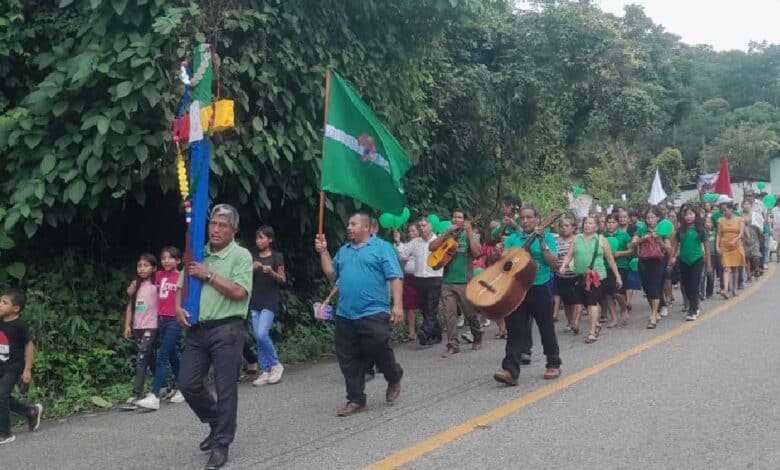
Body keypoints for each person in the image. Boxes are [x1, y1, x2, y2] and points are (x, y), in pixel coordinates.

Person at [176, 204, 253, 470]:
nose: (216, 230)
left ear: (233, 230)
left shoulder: (241, 256)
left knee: (226, 389)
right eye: (213, 224)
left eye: (223, 225)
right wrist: (177, 307)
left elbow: (239, 291)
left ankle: (221, 444)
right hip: (197, 331)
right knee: (187, 384)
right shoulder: (198, 252)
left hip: (227, 330)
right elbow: (181, 284)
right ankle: (215, 422)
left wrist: (208, 274)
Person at [316, 212, 404, 416]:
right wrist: (323, 252)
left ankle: (393, 375)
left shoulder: (382, 248)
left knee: (378, 345)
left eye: (353, 224)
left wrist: (397, 305)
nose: (349, 227)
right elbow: (331, 273)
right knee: (348, 357)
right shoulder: (344, 251)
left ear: (366, 228)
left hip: (374, 310)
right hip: (346, 313)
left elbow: (395, 277)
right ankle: (355, 399)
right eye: (348, 223)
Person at [494, 205, 562, 385]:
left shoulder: (547, 237)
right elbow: (506, 265)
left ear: (537, 218)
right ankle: (510, 370)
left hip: (541, 287)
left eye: (529, 217)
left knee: (546, 327)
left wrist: (541, 242)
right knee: (515, 330)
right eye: (522, 218)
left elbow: (553, 263)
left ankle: (553, 362)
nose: (525, 221)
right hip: (517, 289)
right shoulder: (513, 239)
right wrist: (501, 255)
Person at [135, 247, 185, 410]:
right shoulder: (159, 275)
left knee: (162, 356)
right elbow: (143, 278)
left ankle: (155, 395)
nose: (166, 261)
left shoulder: (182, 277)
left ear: (178, 260)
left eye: (171, 258)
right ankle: (182, 388)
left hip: (174, 320)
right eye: (163, 258)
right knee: (171, 355)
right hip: (161, 320)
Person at [429, 209, 483, 358]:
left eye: (459, 217)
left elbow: (477, 252)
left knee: (470, 314)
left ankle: (477, 336)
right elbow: (431, 247)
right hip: (447, 281)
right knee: (449, 314)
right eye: (454, 216)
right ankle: (453, 345)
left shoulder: (471, 234)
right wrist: (446, 233)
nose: (456, 219)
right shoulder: (447, 234)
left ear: (464, 220)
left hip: (465, 281)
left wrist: (470, 232)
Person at [560, 215, 622, 343]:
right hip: (580, 276)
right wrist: (563, 266)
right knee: (581, 301)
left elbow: (610, 259)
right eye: (586, 223)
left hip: (596, 277)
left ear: (596, 227)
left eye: (590, 223)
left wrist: (617, 276)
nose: (587, 225)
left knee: (591, 303)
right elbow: (569, 255)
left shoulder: (601, 240)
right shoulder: (577, 238)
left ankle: (592, 331)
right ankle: (594, 324)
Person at [0, 289, 43, 445]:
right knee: (1, 397)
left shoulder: (19, 325)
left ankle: (5, 433)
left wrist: (27, 369)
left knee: (1, 396)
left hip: (14, 366)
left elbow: (29, 346)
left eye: (4, 303)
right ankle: (31, 411)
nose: (0, 305)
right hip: (1, 364)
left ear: (16, 308)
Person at [395, 218, 443, 345]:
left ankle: (425, 331)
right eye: (419, 226)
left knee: (431, 307)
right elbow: (403, 255)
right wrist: (398, 242)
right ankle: (436, 334)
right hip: (419, 279)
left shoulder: (438, 240)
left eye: (424, 225)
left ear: (430, 226)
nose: (421, 228)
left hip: (435, 277)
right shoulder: (415, 242)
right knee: (424, 308)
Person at [249, 226, 286, 386]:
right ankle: (265, 370)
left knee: (262, 334)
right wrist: (252, 268)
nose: (259, 241)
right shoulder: (253, 257)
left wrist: (271, 272)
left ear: (270, 239)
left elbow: (282, 279)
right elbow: (242, 274)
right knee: (258, 337)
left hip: (270, 300)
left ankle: (276, 364)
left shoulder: (277, 257)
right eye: (257, 238)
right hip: (255, 301)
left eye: (262, 237)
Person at [123, 253, 159, 408]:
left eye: (146, 265)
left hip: (152, 326)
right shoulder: (135, 285)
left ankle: (136, 393)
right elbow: (130, 307)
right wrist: (127, 325)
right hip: (138, 326)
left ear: (154, 268)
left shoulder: (157, 285)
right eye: (139, 265)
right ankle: (164, 384)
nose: (142, 269)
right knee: (149, 358)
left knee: (141, 358)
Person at [629, 207, 672, 329]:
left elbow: (669, 249)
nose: (650, 220)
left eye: (653, 217)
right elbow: (631, 245)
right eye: (648, 218)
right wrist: (642, 239)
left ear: (658, 218)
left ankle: (653, 315)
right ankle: (656, 310)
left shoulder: (662, 230)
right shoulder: (641, 230)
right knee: (647, 289)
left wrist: (659, 240)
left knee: (655, 288)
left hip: (658, 262)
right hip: (643, 262)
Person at [674, 205, 711, 321]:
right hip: (683, 260)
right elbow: (674, 247)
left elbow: (707, 249)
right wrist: (672, 258)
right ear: (683, 217)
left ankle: (693, 309)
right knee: (686, 285)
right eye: (686, 214)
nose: (689, 217)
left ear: (695, 215)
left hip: (697, 260)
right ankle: (694, 304)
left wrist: (709, 265)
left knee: (695, 285)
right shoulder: (680, 231)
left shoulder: (701, 230)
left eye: (691, 214)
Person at [603, 214, 632, 327]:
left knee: (618, 292)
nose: (610, 225)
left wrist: (619, 254)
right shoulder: (602, 236)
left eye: (613, 222)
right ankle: (614, 318)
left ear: (617, 223)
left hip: (621, 266)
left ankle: (624, 307)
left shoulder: (624, 235)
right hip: (605, 267)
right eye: (608, 222)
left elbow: (631, 251)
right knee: (608, 294)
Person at [394, 224, 421, 342]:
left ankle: (425, 328)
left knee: (422, 304)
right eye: (410, 231)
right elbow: (402, 256)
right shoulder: (408, 245)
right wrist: (398, 242)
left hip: (420, 277)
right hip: (408, 277)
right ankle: (411, 332)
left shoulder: (424, 244)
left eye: (413, 230)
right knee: (409, 305)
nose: (411, 233)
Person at [552, 218, 578, 333]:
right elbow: (551, 255)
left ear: (573, 228)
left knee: (575, 300)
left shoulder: (577, 240)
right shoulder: (555, 241)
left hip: (575, 275)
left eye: (567, 225)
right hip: (560, 275)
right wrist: (554, 263)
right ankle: (569, 322)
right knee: (566, 301)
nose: (564, 228)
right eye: (562, 226)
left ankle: (575, 323)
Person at [716, 199, 745, 299]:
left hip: (736, 245)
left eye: (726, 210)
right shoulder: (720, 220)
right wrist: (717, 246)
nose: (725, 212)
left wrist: (735, 239)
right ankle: (725, 289)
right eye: (723, 210)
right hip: (725, 246)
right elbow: (719, 234)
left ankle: (734, 289)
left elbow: (741, 233)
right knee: (726, 268)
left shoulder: (739, 219)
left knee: (735, 268)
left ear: (731, 209)